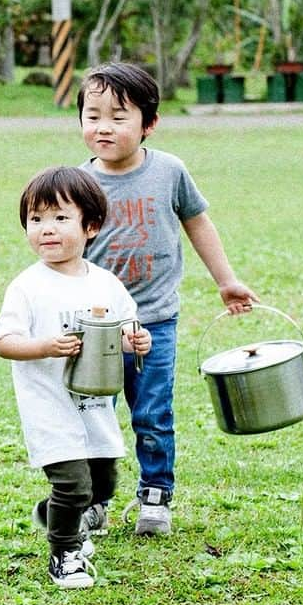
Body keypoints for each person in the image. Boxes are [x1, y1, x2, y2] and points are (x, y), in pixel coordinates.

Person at [76, 62, 258, 536]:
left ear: (149, 123)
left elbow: (197, 222)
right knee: (93, 415)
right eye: (92, 115)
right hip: (94, 327)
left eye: (119, 116)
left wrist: (227, 281)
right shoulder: (76, 183)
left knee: (152, 412)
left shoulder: (169, 171)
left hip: (154, 321)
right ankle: (94, 500)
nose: (103, 127)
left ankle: (156, 494)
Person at [0, 166, 152, 589]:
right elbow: (4, 342)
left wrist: (135, 341)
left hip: (95, 404)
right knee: (73, 483)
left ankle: (54, 513)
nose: (46, 229)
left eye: (60, 218)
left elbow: (125, 328)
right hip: (50, 406)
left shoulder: (105, 283)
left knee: (102, 482)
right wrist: (46, 346)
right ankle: (65, 553)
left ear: (91, 226)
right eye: (35, 219)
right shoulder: (27, 287)